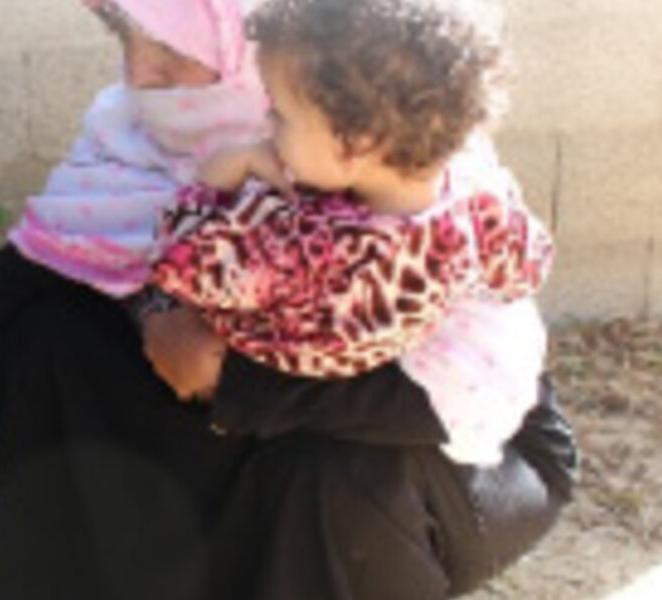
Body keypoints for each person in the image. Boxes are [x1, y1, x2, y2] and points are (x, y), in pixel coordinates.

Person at [0, 0, 579, 600]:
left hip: (458, 466)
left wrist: (231, 381)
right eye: (127, 42)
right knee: (46, 337)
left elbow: (443, 399)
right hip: (273, 435)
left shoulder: (389, 149)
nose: (140, 78)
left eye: (175, 55)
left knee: (326, 475)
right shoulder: (140, 150)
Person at [146, 0, 553, 471]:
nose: (267, 127)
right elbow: (527, 268)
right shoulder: (477, 200)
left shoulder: (305, 243)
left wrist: (220, 173)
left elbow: (178, 265)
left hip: (278, 371)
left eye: (280, 115)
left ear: (352, 144)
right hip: (445, 397)